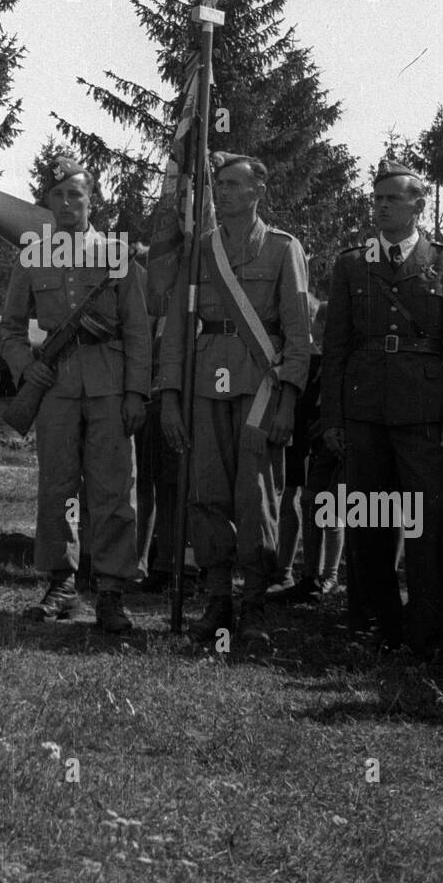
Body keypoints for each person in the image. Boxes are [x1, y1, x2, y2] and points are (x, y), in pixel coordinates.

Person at [321, 159, 443, 657]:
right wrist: (333, 419)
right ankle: (376, 626)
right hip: (365, 414)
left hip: (425, 418)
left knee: (427, 527)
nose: (382, 206)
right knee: (369, 522)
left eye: (393, 198)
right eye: (377, 199)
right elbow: (337, 348)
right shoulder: (351, 263)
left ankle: (428, 633)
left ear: (417, 203)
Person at [159, 153, 311, 646]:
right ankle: (218, 598)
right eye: (218, 184)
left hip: (260, 390)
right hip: (206, 384)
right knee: (206, 493)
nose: (220, 192)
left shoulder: (283, 248)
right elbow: (178, 328)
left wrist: (288, 400)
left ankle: (256, 602)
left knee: (257, 496)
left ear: (256, 192)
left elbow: (298, 334)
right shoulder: (201, 250)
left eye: (231, 184)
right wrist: (170, 396)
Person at [0, 154, 151, 633]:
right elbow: (10, 328)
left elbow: (138, 332)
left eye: (76, 195)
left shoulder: (115, 255)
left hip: (108, 388)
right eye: (59, 195)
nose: (67, 203)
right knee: (58, 489)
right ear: (48, 201)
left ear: (91, 200)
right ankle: (61, 584)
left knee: (112, 489)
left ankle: (110, 588)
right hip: (56, 391)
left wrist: (135, 393)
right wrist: (28, 369)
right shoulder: (33, 254)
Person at [269, 297, 345, 602]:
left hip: (335, 440)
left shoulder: (340, 362)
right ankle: (310, 576)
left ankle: (331, 575)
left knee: (331, 508)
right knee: (310, 502)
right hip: (312, 441)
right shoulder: (314, 361)